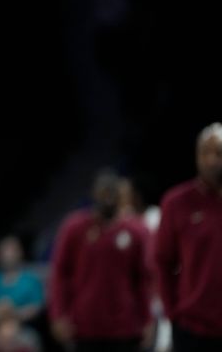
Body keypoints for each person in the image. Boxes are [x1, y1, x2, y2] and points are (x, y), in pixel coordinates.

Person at [47, 171, 153, 352]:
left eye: (112, 193)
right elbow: (60, 273)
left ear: (120, 196)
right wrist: (58, 314)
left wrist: (148, 320)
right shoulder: (74, 227)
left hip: (125, 327)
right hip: (84, 327)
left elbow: (143, 280)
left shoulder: (137, 231)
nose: (108, 198)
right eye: (104, 192)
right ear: (94, 193)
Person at [154, 122, 222, 352]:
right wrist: (173, 312)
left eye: (219, 153)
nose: (212, 160)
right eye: (206, 152)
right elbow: (162, 262)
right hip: (192, 328)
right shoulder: (177, 202)